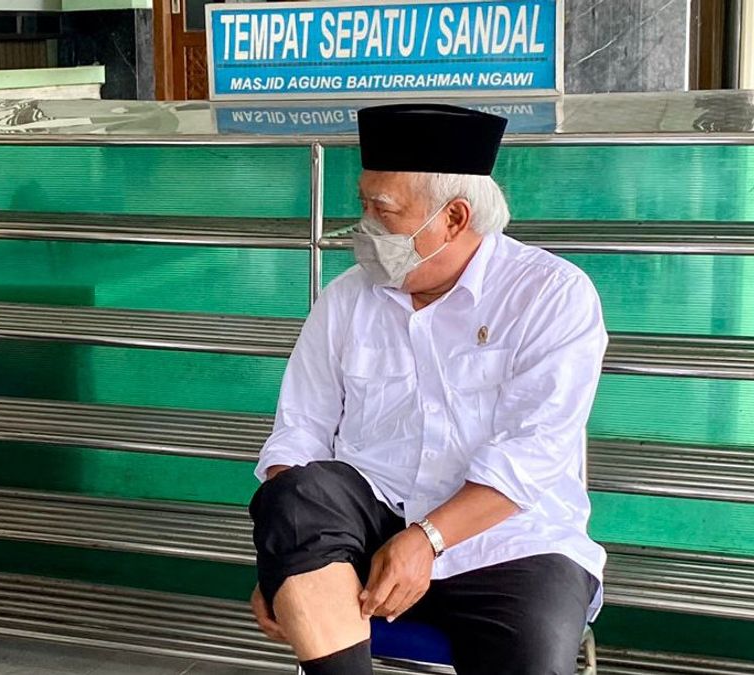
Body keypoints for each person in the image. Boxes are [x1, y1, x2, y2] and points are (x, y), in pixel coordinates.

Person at [248, 104, 606, 675]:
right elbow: (300, 433)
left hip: (512, 543)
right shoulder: (347, 298)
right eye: (362, 203)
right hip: (372, 521)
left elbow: (532, 455)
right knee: (296, 496)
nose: (363, 225)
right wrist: (285, 561)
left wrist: (428, 539)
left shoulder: (551, 296)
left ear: (455, 218)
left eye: (382, 209)